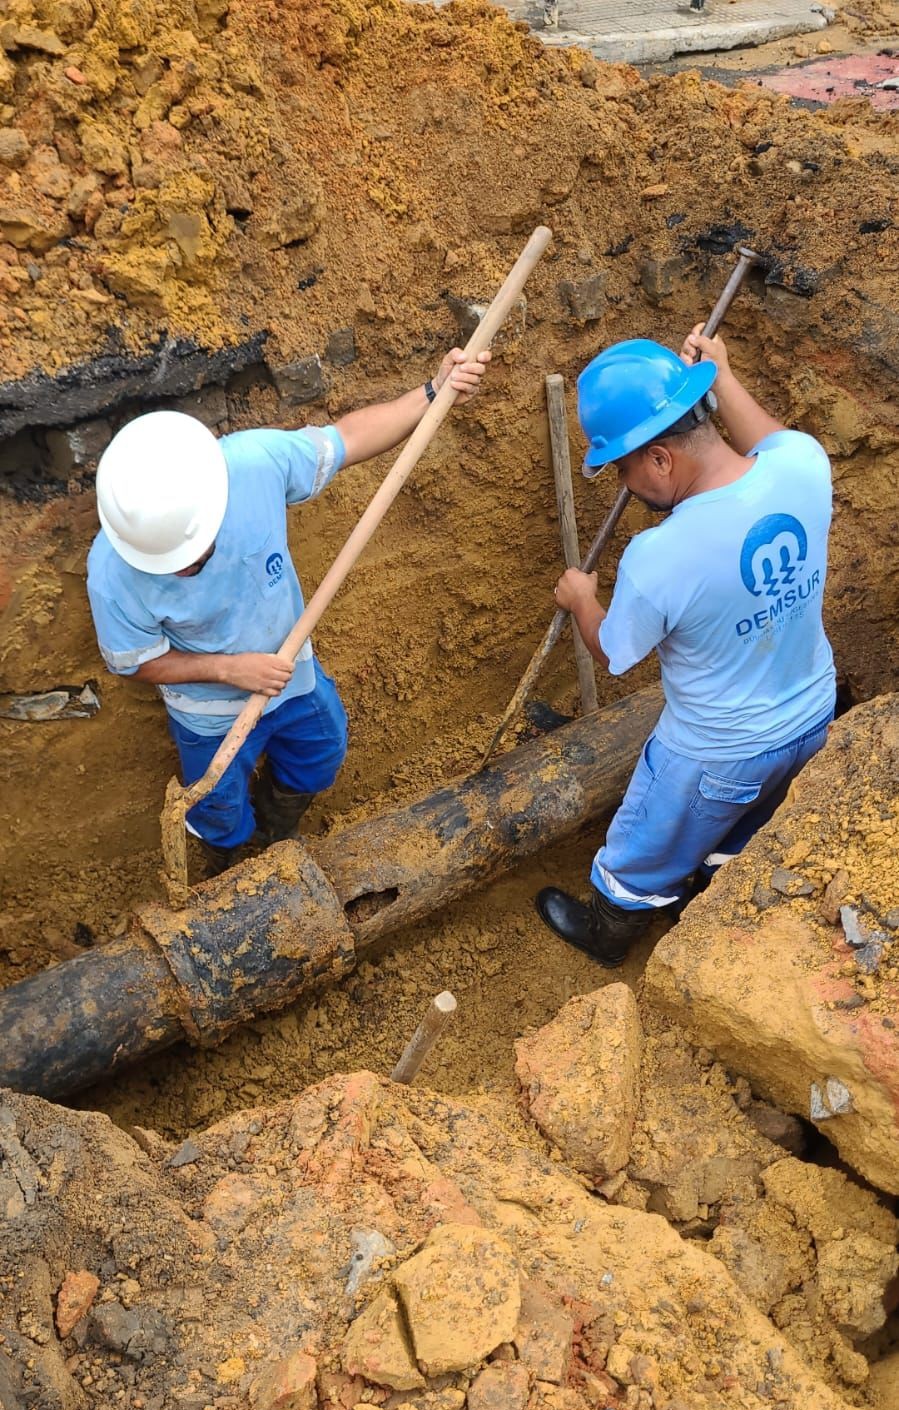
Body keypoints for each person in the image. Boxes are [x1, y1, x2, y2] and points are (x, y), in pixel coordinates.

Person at [87, 347, 490, 871]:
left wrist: (431, 393)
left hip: (291, 674)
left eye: (194, 555)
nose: (184, 572)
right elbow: (135, 662)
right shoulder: (112, 570)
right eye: (168, 565)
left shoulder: (252, 466)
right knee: (216, 808)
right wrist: (228, 670)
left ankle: (278, 828)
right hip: (207, 714)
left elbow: (346, 439)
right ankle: (228, 865)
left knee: (321, 752)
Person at [536, 328, 836, 966]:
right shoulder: (805, 465)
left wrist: (582, 599)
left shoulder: (661, 555)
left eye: (624, 467)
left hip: (715, 754)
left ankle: (611, 933)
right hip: (813, 714)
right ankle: (716, 884)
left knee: (644, 846)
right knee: (752, 826)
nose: (625, 483)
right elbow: (769, 441)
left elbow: (617, 655)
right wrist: (722, 375)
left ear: (662, 460)